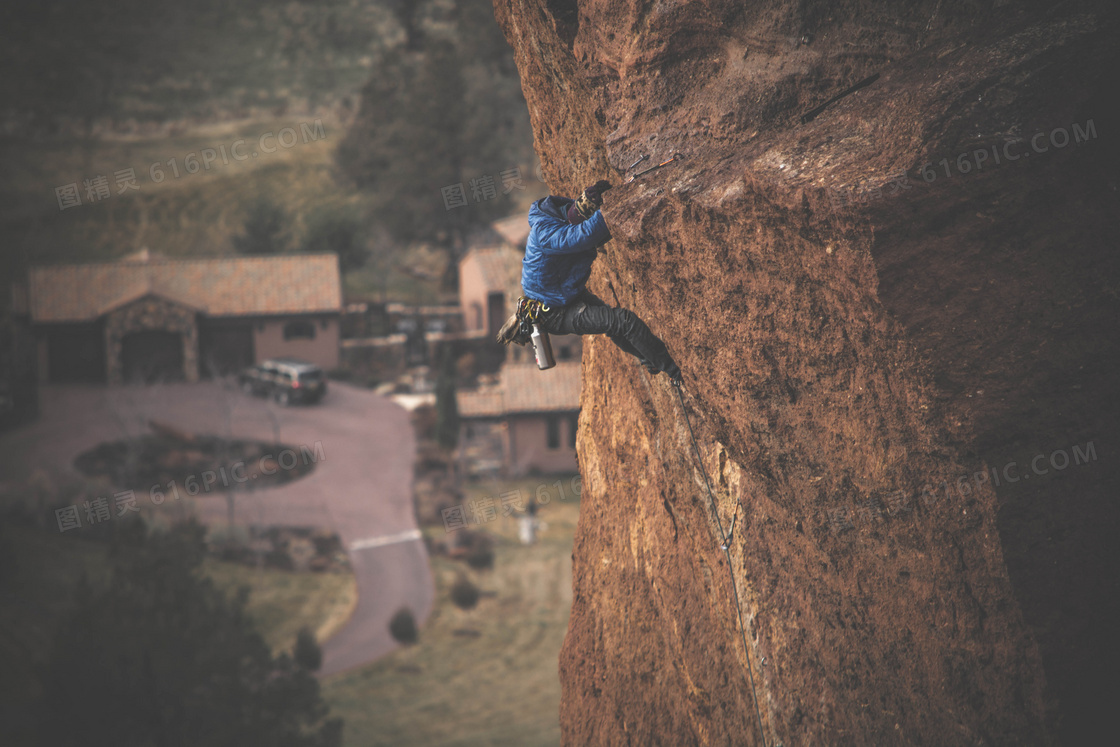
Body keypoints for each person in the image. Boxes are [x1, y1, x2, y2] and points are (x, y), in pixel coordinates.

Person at [497, 180, 682, 384]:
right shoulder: (546, 233)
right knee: (624, 321)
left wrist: (592, 200)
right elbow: (582, 236)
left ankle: (650, 360)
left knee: (615, 326)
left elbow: (580, 227)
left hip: (562, 294)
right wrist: (609, 210)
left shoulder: (556, 218)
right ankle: (675, 372)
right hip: (555, 313)